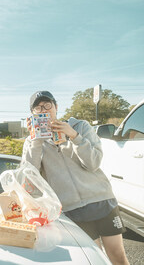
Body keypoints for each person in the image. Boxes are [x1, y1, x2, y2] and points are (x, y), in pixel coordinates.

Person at [22, 91, 129, 265]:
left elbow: (94, 163)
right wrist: (36, 141)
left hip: (102, 200)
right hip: (71, 210)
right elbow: (31, 177)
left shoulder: (80, 127)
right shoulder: (31, 141)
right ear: (33, 113)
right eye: (38, 107)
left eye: (48, 105)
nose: (44, 109)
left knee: (117, 255)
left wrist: (74, 137)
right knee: (94, 259)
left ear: (56, 107)